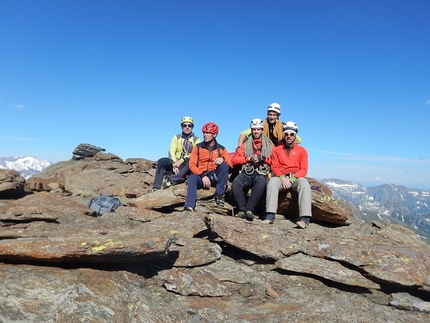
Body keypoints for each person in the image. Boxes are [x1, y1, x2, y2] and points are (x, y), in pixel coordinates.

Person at [263, 121, 312, 228]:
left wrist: (292, 179)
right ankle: (269, 216)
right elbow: (274, 167)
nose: (288, 136)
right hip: (281, 177)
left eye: (291, 134)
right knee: (272, 182)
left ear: (295, 136)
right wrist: (283, 178)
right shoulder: (277, 150)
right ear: (284, 135)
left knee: (304, 184)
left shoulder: (302, 151)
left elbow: (304, 169)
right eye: (286, 134)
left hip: (295, 177)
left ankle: (304, 219)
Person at [231, 118, 274, 221]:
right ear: (251, 130)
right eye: (254, 129)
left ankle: (249, 210)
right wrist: (248, 159)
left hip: (261, 173)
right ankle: (241, 210)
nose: (256, 131)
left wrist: (263, 159)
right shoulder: (245, 145)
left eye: (258, 129)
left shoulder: (269, 145)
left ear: (262, 130)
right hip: (247, 172)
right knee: (236, 183)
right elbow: (235, 160)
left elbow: (275, 161)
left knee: (261, 183)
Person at [184, 122, 232, 211]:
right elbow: (192, 164)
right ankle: (189, 206)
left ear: (214, 134)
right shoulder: (198, 147)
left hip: (214, 176)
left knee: (224, 166)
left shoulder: (221, 149)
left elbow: (230, 164)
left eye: (207, 133)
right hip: (201, 176)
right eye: (204, 133)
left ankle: (219, 196)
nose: (204, 135)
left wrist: (223, 158)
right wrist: (202, 176)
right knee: (192, 178)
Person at [150, 116, 201, 192]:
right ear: (182, 127)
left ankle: (176, 179)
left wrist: (182, 160)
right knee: (162, 161)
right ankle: (156, 187)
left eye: (189, 125)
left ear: (192, 127)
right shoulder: (176, 137)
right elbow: (171, 150)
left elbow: (195, 154)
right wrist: (174, 163)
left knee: (191, 161)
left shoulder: (196, 140)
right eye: (185, 125)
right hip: (175, 163)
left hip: (186, 164)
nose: (187, 127)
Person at [237, 102, 302, 147]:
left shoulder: (284, 126)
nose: (271, 117)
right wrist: (239, 146)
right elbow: (244, 133)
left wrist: (287, 140)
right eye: (270, 114)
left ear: (278, 116)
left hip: (278, 150)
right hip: (263, 150)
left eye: (274, 115)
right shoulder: (261, 125)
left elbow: (299, 140)